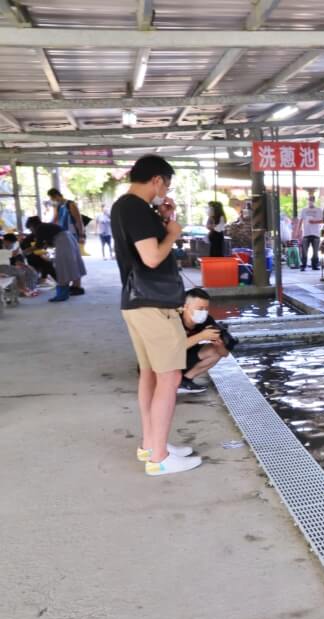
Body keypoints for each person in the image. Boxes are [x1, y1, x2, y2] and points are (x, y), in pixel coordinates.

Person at [112, 154, 202, 476]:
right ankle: (160, 458)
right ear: (157, 180)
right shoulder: (135, 208)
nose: (165, 191)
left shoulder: (127, 207)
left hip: (136, 301)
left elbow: (146, 245)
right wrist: (174, 233)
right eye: (167, 185)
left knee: (150, 374)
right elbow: (151, 258)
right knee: (170, 377)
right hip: (153, 305)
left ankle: (151, 444)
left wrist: (165, 218)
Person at [178, 287, 237, 393]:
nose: (203, 312)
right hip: (165, 364)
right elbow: (170, 349)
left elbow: (225, 354)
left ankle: (185, 380)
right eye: (200, 309)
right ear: (186, 307)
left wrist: (220, 345)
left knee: (215, 351)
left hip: (186, 358)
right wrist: (201, 336)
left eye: (206, 309)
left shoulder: (207, 320)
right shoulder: (174, 320)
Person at [26, 216, 83, 303]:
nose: (31, 231)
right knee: (72, 263)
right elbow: (49, 242)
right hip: (69, 238)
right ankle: (76, 287)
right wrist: (46, 245)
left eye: (30, 229)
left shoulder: (40, 228)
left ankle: (63, 293)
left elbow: (38, 245)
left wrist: (26, 251)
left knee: (62, 266)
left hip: (64, 241)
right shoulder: (45, 226)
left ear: (32, 226)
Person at [46, 189, 87, 294]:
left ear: (56, 196)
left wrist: (82, 235)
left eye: (52, 198)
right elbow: (55, 220)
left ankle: (77, 285)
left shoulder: (70, 204)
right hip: (61, 237)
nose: (52, 201)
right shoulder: (59, 206)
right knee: (66, 262)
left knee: (74, 260)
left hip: (73, 236)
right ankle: (71, 284)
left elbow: (79, 220)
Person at [2, 232, 40, 297]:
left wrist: (24, 264)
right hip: (4, 266)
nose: (11, 245)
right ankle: (23, 290)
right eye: (10, 243)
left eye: (12, 243)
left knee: (31, 271)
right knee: (21, 272)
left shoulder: (13, 248)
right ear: (5, 241)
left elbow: (18, 257)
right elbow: (13, 255)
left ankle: (31, 289)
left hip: (13, 265)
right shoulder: (2, 249)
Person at [299, 194, 324, 271]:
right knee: (304, 251)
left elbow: (323, 220)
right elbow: (300, 221)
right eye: (309, 200)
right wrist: (298, 231)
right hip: (306, 233)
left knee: (315, 252)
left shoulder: (319, 210)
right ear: (307, 200)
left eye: (312, 200)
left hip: (315, 234)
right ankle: (303, 265)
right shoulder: (304, 210)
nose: (310, 202)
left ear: (314, 201)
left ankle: (314, 265)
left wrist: (314, 222)